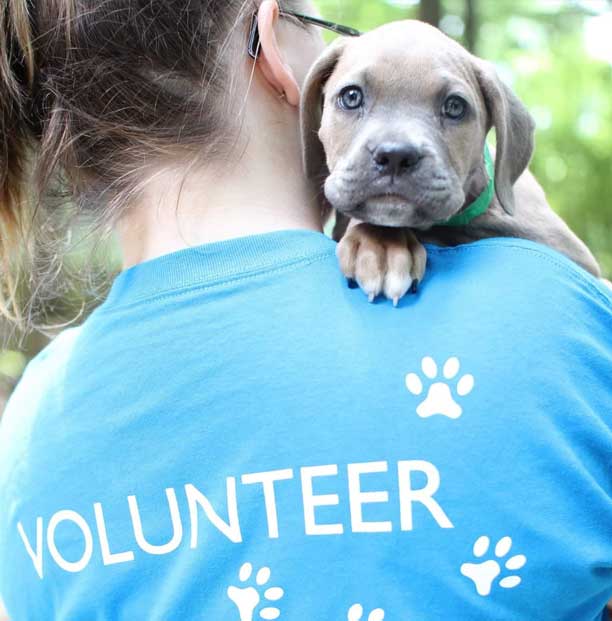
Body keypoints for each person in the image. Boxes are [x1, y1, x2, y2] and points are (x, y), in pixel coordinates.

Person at [0, 1, 611, 620]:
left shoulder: (24, 431)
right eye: (352, 94)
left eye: (450, 108)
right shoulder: (571, 332)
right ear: (272, 42)